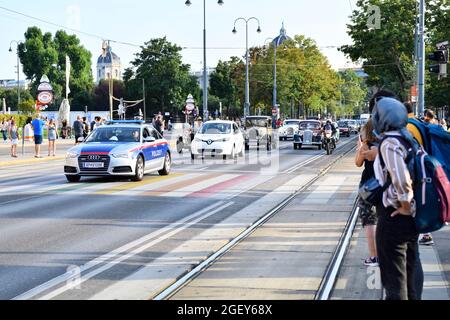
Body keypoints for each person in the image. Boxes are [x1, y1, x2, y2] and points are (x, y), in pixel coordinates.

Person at [372, 97, 422, 300]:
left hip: (394, 217)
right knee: (408, 276)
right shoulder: (408, 138)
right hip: (411, 219)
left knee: (395, 281)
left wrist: (404, 205)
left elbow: (402, 179)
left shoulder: (390, 142)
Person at [355, 118, 379, 267]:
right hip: (385, 186)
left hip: (368, 187)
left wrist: (360, 147)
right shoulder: (385, 144)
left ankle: (374, 256)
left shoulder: (366, 146)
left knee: (369, 221)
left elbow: (358, 163)